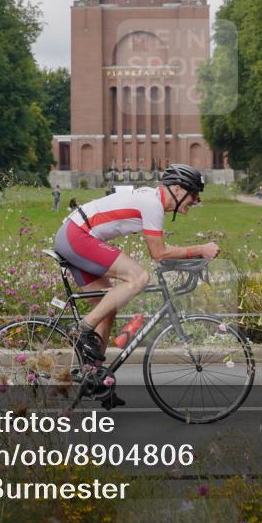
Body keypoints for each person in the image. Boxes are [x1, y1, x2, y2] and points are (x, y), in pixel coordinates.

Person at [54, 164, 218, 402]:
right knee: (139, 277)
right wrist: (201, 249)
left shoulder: (152, 200)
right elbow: (159, 253)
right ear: (178, 189)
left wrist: (192, 255)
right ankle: (82, 330)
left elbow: (160, 250)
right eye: (194, 194)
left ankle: (95, 378)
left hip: (75, 234)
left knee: (107, 306)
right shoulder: (153, 204)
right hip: (77, 236)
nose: (195, 200)